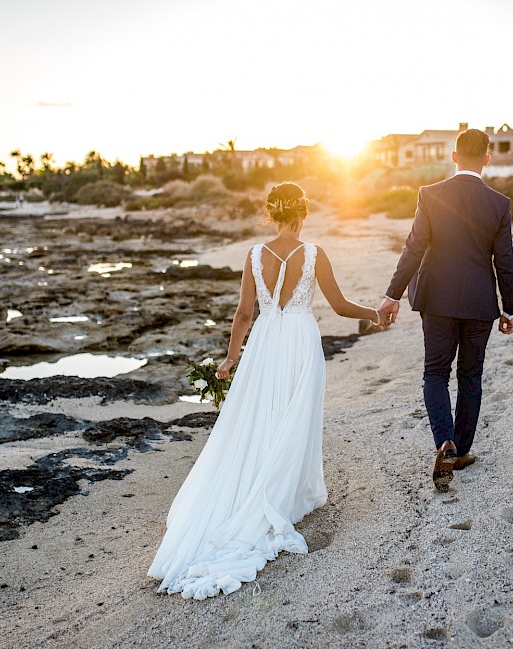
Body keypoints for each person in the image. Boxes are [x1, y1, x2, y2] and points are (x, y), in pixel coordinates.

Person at [148, 182, 389, 599]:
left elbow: (244, 312)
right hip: (299, 340)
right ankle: (287, 492)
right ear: (303, 213)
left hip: (264, 341)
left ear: (272, 214)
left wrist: (229, 359)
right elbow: (339, 305)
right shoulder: (314, 254)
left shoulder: (255, 254)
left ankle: (266, 486)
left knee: (259, 417)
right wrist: (375, 315)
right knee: (295, 417)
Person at [379, 128, 513, 493]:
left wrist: (392, 294)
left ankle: (445, 441)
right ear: (487, 158)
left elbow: (414, 247)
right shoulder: (499, 204)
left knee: (435, 372)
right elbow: (505, 261)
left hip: (437, 300)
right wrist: (509, 308)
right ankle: (461, 450)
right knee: (471, 375)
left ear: (453, 157)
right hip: (479, 303)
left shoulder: (430, 194)